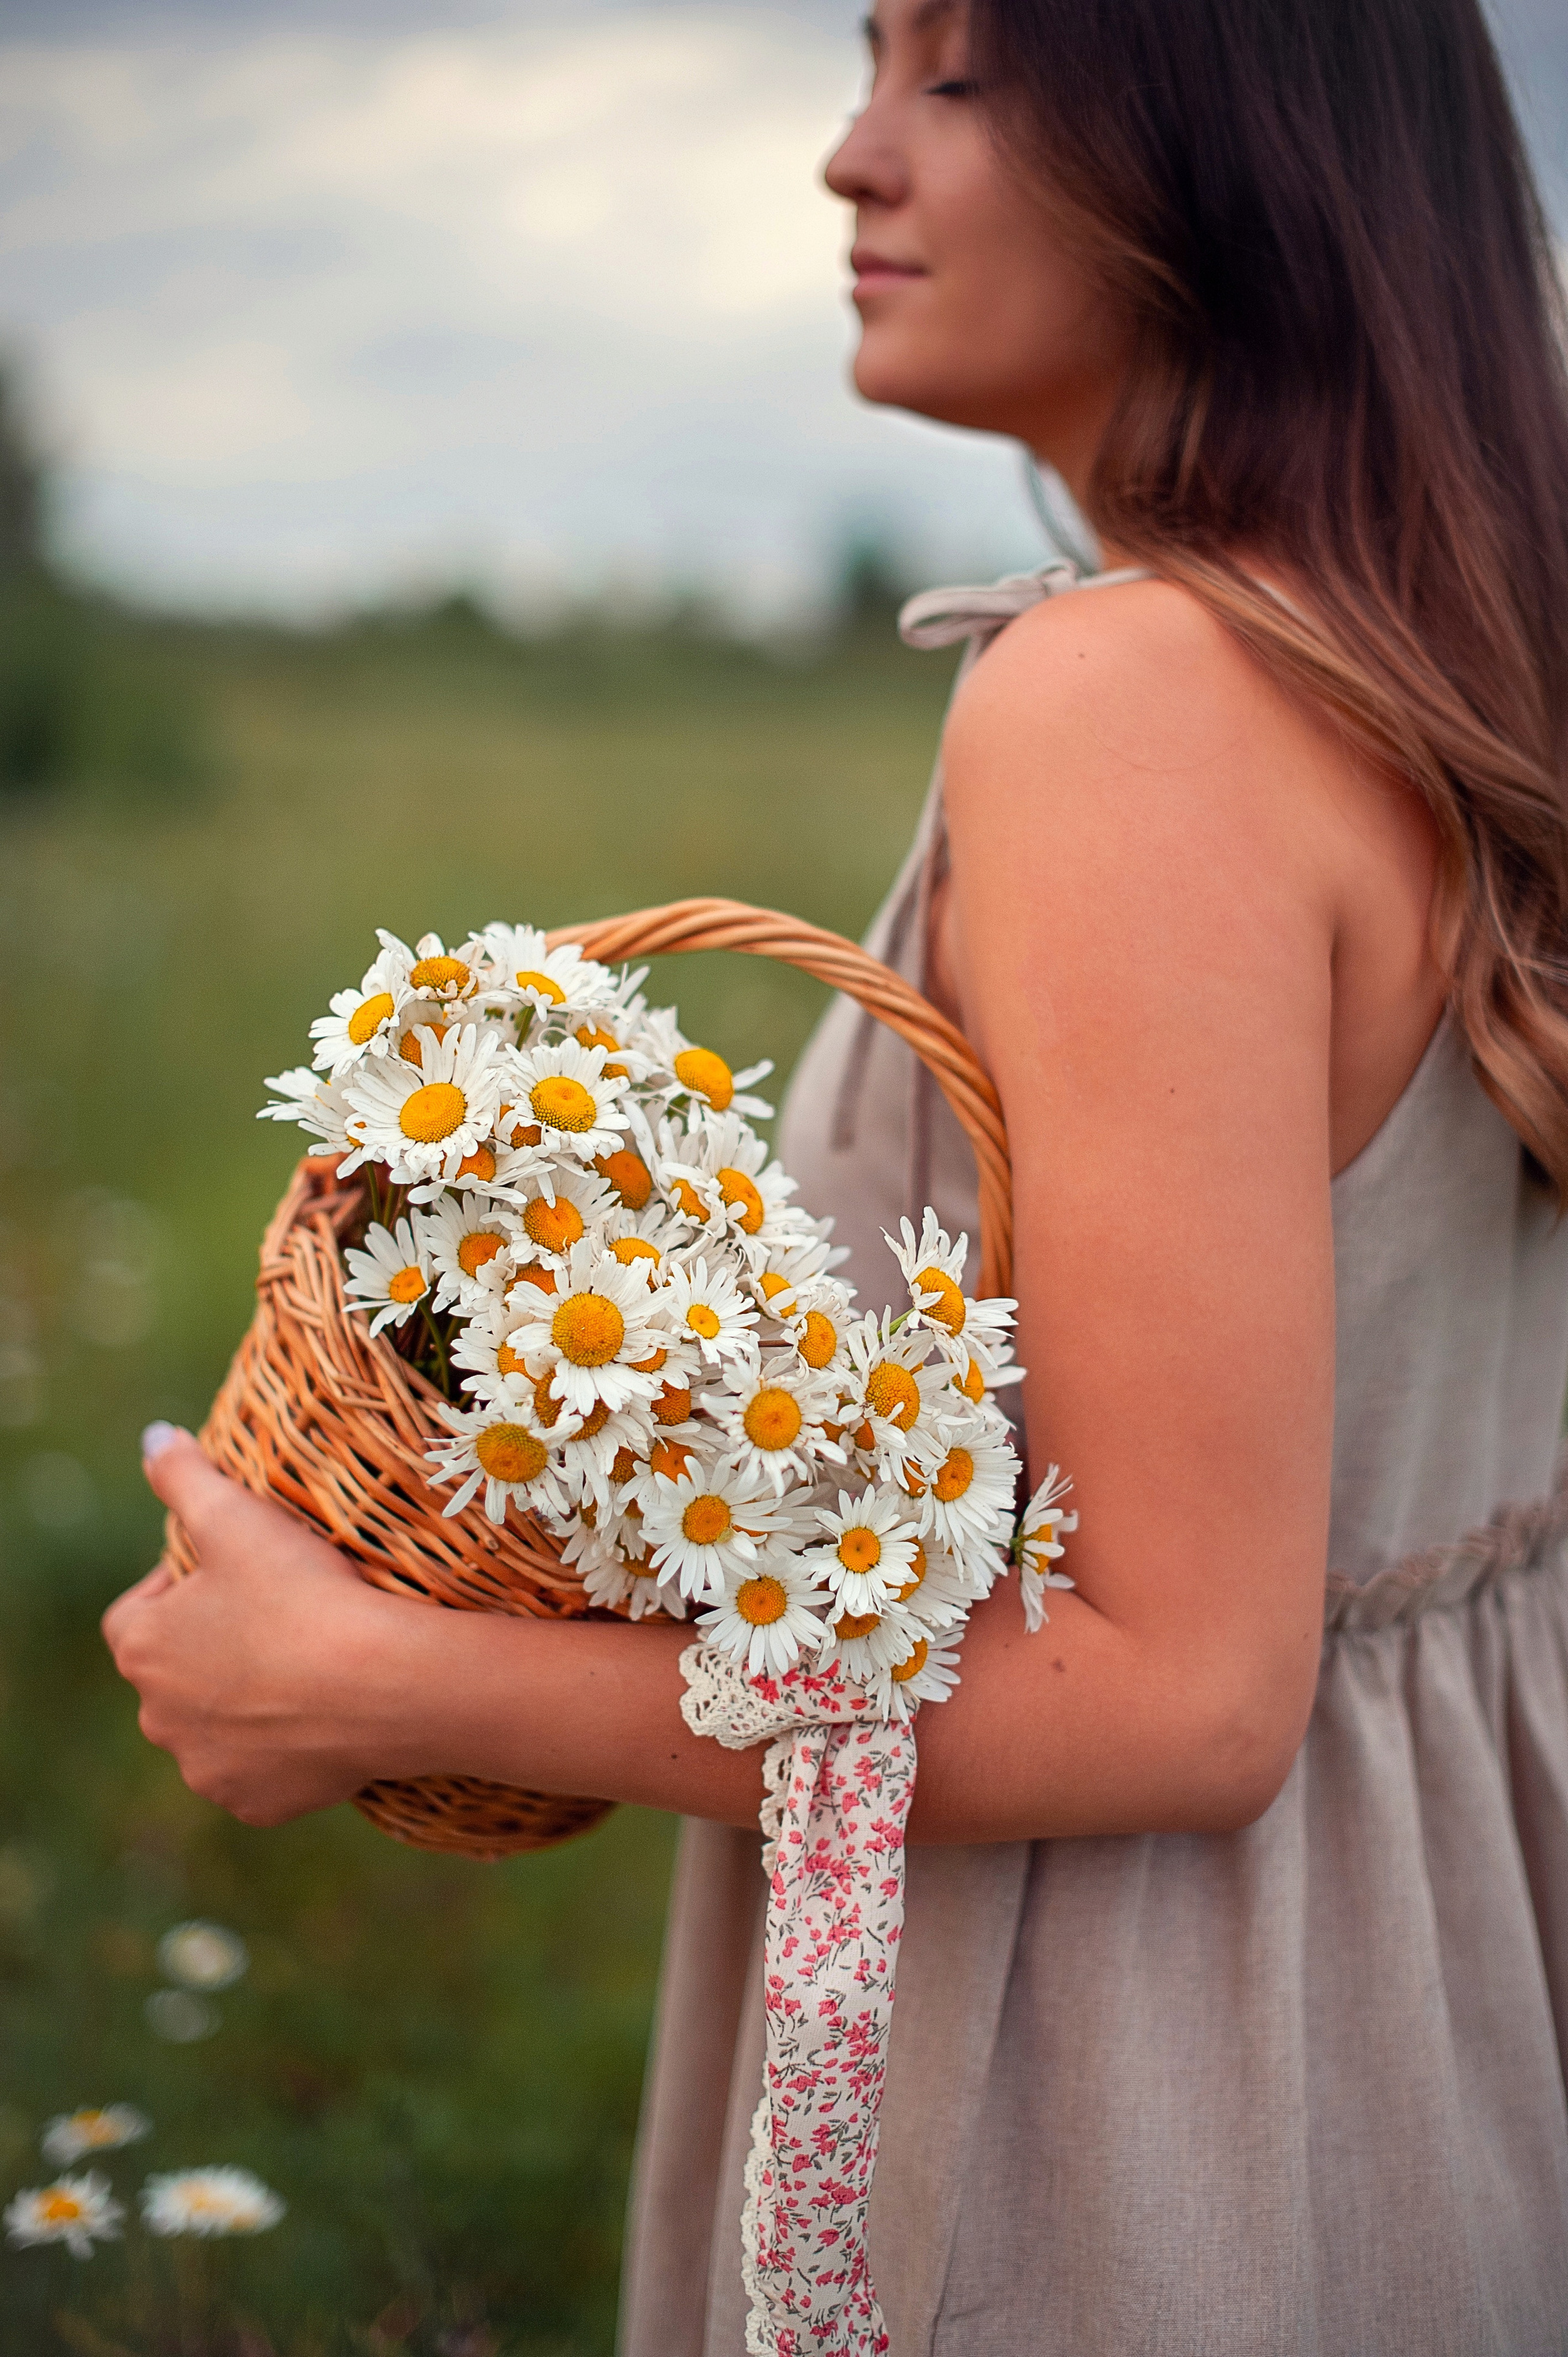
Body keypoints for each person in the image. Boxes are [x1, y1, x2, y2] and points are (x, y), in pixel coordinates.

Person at [105, 0, 1568, 2347]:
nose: (848, 159)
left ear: (1227, 127)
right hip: (1433, 2016)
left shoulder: (1135, 710)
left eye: (951, 73)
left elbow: (1179, 1696)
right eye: (863, 56)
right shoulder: (1442, 675)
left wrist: (382, 1675)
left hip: (1134, 2081)